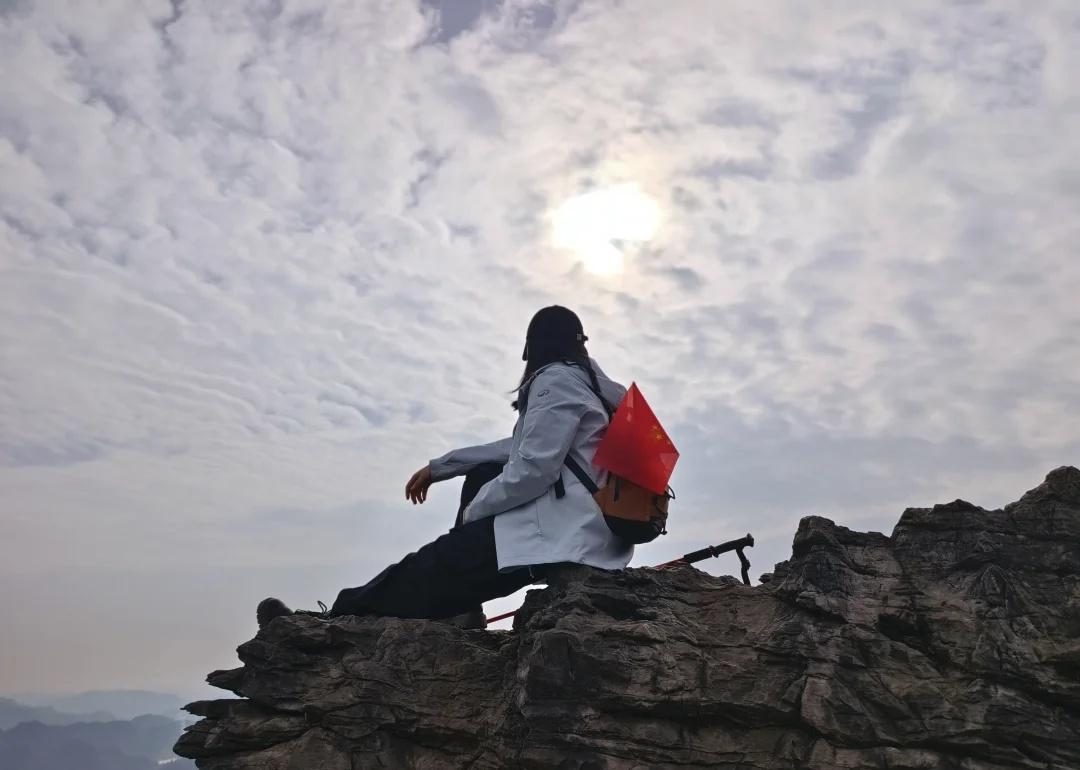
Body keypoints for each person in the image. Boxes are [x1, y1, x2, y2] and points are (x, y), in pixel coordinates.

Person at [257, 305, 632, 629]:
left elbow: (535, 467)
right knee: (482, 474)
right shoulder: (592, 386)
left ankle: (331, 620)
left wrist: (474, 514)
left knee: (429, 566)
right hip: (587, 530)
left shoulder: (555, 380)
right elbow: (518, 449)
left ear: (534, 347)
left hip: (560, 533)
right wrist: (442, 467)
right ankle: (464, 611)